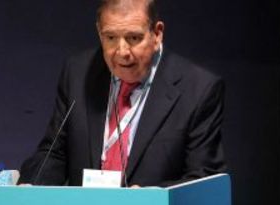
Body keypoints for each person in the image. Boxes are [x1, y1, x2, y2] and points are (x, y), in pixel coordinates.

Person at [19, 0, 227, 187]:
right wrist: (33, 185)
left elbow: (204, 179)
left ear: (157, 34)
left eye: (134, 38)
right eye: (110, 38)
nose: (122, 52)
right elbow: (53, 152)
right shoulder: (78, 73)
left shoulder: (198, 89)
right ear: (99, 32)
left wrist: (152, 198)